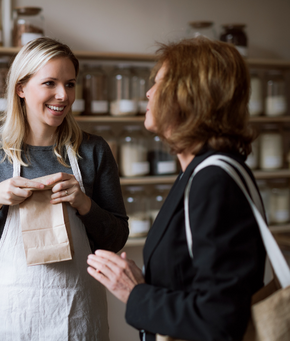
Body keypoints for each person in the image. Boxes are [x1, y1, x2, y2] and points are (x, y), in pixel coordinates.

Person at [0, 37, 129, 340]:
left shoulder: (94, 150)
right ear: (21, 88)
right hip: (12, 319)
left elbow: (117, 238)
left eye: (70, 84)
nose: (62, 95)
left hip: (79, 316)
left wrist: (84, 203)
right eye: (50, 83)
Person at [87, 37, 266, 341]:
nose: (148, 92)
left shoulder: (213, 181)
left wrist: (135, 293)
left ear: (186, 96)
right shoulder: (195, 173)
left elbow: (219, 318)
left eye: (157, 83)